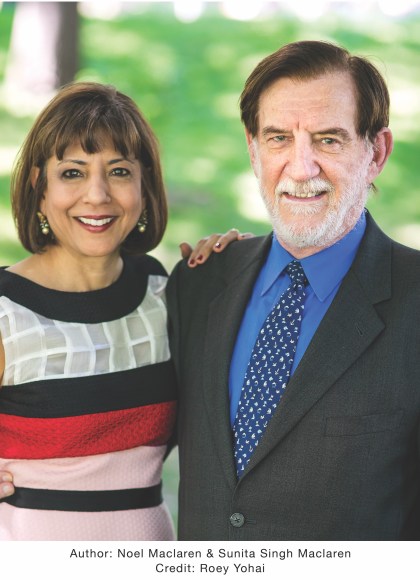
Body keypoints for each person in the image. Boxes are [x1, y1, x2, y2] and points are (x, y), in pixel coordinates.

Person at [166, 40, 420, 540]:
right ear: (253, 150)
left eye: (328, 140)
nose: (301, 168)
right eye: (279, 138)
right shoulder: (198, 283)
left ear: (376, 152)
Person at [0, 81, 239, 540]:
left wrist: (240, 267)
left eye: (119, 171)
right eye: (73, 173)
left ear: (144, 186)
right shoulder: (7, 313)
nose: (97, 195)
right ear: (39, 187)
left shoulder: (163, 295)